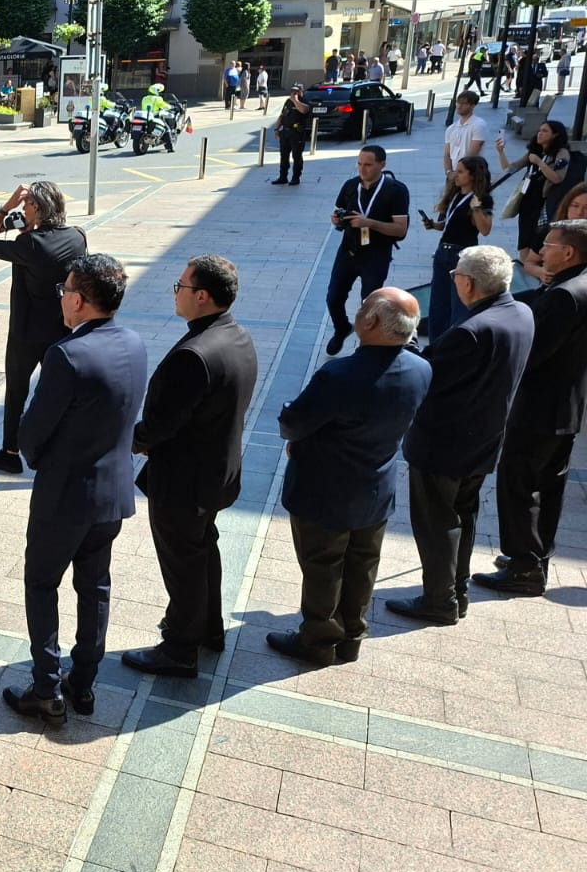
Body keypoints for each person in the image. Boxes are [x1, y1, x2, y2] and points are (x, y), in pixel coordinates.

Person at [3, 254, 146, 721]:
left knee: (42, 584)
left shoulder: (66, 354)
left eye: (64, 290)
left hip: (65, 496)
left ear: (79, 301)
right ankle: (83, 682)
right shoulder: (135, 342)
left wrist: (41, 457)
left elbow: (31, 433)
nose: (61, 297)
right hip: (112, 495)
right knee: (95, 586)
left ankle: (46, 686)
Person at [270, 288, 430, 665]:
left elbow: (294, 423)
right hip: (376, 485)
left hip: (325, 490)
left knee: (323, 565)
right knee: (362, 563)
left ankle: (318, 641)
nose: (358, 310)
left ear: (371, 321)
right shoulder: (421, 368)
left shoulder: (341, 374)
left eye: (363, 306)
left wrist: (296, 430)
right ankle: (352, 635)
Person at [123, 255, 258, 678]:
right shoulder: (237, 336)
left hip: (184, 481)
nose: (175, 293)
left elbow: (161, 425)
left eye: (180, 286)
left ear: (201, 296)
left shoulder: (194, 354)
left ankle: (180, 648)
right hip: (217, 473)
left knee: (182, 562)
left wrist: (127, 442)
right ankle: (208, 629)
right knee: (201, 553)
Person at [389, 247, 532, 624]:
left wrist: (405, 344)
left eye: (455, 275)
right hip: (483, 439)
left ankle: (439, 601)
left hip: (444, 445)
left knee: (436, 524)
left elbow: (427, 374)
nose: (453, 281)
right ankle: (457, 593)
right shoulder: (521, 312)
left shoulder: (471, 330)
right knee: (463, 517)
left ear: (467, 282)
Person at [477, 219, 587, 596]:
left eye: (549, 245)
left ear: (569, 252)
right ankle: (536, 556)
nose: (541, 252)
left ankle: (523, 566)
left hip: (540, 407)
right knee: (549, 485)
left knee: (518, 484)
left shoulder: (564, 295)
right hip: (567, 406)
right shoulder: (573, 285)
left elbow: (534, 353)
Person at [0, 182, 88, 473]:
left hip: (26, 331)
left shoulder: (30, 244)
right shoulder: (77, 237)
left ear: (35, 208)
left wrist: (5, 207)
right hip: (62, 329)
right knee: (57, 389)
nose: (22, 209)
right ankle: (56, 445)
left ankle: (11, 452)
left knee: (16, 392)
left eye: (26, 205)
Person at [324, 145, 410, 356]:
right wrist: (337, 220)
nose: (362, 169)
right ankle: (342, 327)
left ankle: (367, 345)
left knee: (368, 304)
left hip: (376, 254)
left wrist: (369, 223)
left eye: (368, 165)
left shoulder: (397, 190)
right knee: (333, 298)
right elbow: (337, 214)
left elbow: (400, 230)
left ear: (382, 165)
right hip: (349, 251)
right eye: (359, 164)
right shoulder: (350, 186)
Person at [423, 156, 493, 338]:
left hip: (462, 256)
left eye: (461, 172)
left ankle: (456, 344)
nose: (456, 175)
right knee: (437, 304)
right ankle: (435, 346)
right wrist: (434, 225)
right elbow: (448, 223)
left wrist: (477, 208)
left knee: (459, 304)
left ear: (473, 175)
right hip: (443, 252)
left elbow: (485, 229)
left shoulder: (481, 199)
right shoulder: (454, 195)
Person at [495, 120, 580, 262]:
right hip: (527, 200)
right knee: (523, 242)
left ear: (555, 135)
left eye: (545, 131)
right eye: (539, 130)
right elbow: (510, 168)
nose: (540, 133)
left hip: (543, 203)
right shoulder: (534, 152)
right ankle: (525, 271)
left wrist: (540, 163)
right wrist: (501, 152)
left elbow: (558, 177)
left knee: (537, 241)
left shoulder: (561, 153)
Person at [522, 182, 587, 280]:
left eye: (586, 208)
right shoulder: (551, 231)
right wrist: (541, 272)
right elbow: (529, 263)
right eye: (575, 205)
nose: (579, 212)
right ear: (566, 206)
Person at [443, 91, 487, 186]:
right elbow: (447, 154)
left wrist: (459, 172)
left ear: (472, 106)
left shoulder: (478, 124)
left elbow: (473, 154)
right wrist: (449, 172)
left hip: (471, 174)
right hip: (454, 175)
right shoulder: (451, 128)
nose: (459, 106)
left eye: (464, 103)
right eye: (458, 102)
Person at [271, 84, 311, 186]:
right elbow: (282, 115)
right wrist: (277, 129)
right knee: (284, 156)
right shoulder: (288, 102)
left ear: (301, 92)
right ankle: (283, 177)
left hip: (297, 133)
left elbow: (304, 110)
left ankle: (295, 178)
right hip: (285, 132)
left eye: (296, 91)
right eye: (293, 91)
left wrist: (295, 100)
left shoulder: (304, 102)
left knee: (296, 156)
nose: (294, 93)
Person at [139, 83, 175, 151]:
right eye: (159, 91)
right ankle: (170, 148)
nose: (160, 93)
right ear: (156, 91)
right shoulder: (158, 99)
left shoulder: (144, 98)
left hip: (145, 117)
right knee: (167, 129)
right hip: (155, 117)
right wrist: (171, 107)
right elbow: (165, 106)